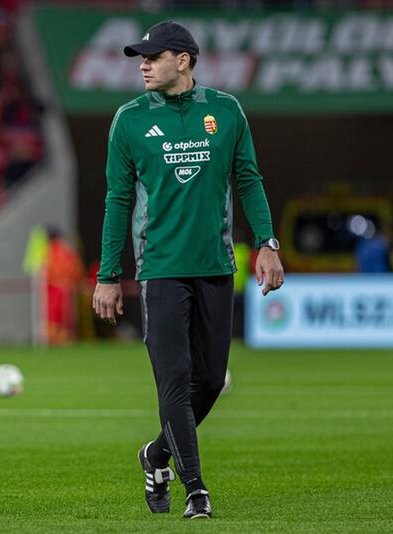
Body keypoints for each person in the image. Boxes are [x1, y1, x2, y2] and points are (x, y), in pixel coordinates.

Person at [90, 21, 284, 520]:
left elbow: (249, 179)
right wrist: (108, 274)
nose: (143, 64)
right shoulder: (128, 120)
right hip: (159, 270)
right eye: (141, 58)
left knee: (212, 381)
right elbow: (117, 199)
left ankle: (156, 455)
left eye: (153, 57)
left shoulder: (225, 111)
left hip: (216, 266)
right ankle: (196, 489)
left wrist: (267, 243)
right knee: (174, 379)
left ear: (185, 60)